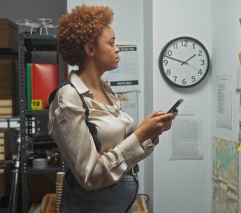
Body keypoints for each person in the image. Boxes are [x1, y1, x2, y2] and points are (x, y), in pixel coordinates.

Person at [48, 5, 177, 213]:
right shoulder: (68, 97)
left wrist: (150, 133)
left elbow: (124, 152)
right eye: (111, 43)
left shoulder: (106, 90)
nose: (117, 49)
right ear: (90, 49)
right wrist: (140, 133)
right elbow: (90, 176)